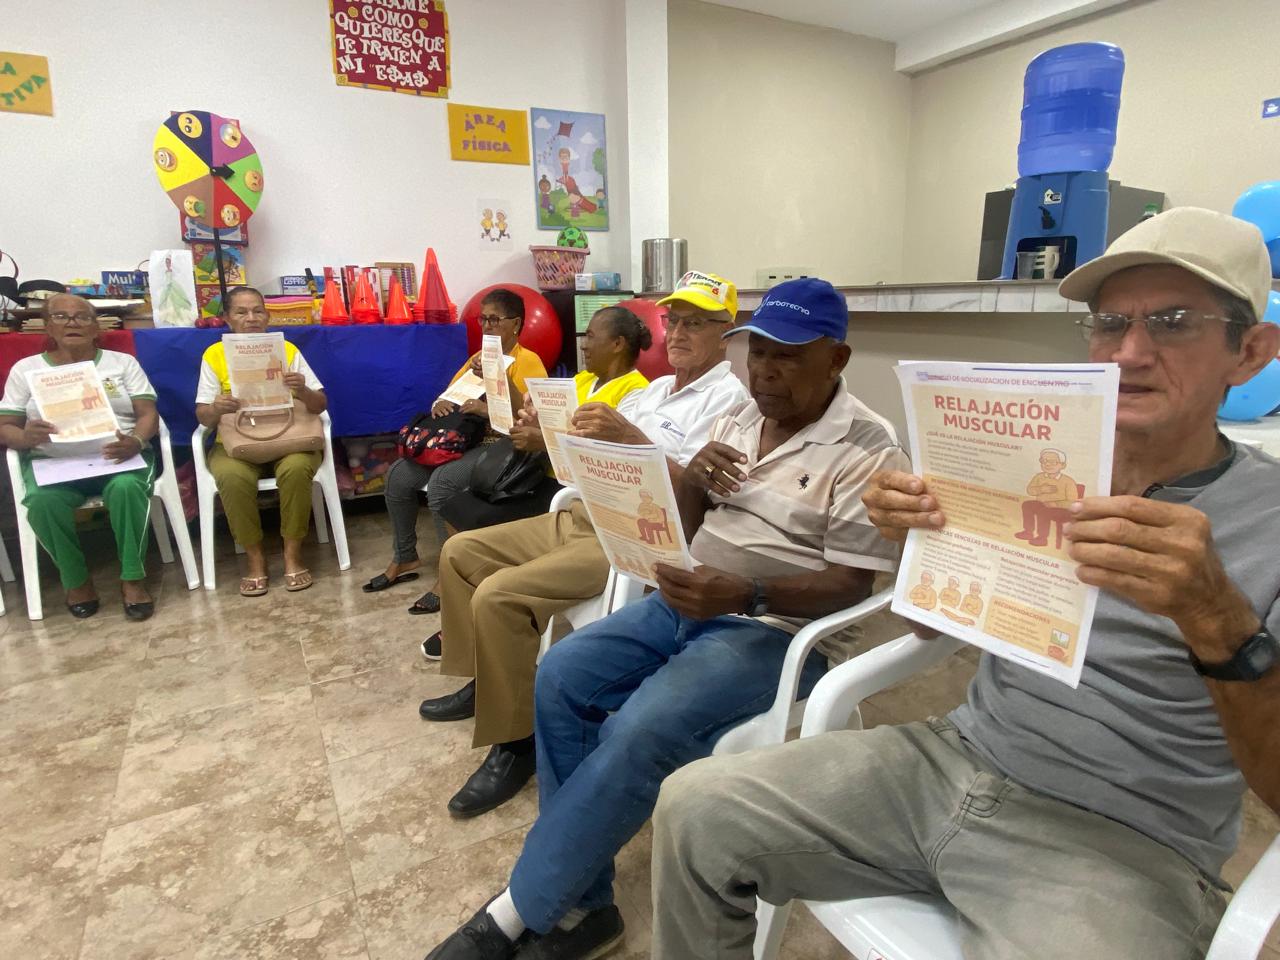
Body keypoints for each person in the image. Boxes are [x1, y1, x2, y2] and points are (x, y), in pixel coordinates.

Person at [648, 208, 1280, 960]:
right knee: (694, 808)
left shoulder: (1268, 519)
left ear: (1250, 352)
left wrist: (1217, 619)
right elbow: (932, 631)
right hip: (957, 756)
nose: (1131, 352)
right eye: (1111, 323)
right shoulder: (1029, 463)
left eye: (1174, 322)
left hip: (1126, 838)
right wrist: (921, 548)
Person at [423, 277, 908, 960]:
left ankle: (516, 911)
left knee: (639, 726)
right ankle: (587, 905)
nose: (765, 372)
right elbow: (685, 529)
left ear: (837, 359)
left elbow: (851, 585)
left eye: (788, 356)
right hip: (686, 599)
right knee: (561, 673)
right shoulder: (740, 418)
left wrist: (747, 595)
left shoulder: (870, 447)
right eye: (758, 353)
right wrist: (691, 481)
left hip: (773, 630)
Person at [419, 271, 747, 820]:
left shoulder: (731, 404)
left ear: (726, 335)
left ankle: (516, 742)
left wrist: (629, 438)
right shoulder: (657, 389)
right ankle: (486, 682)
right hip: (582, 512)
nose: (678, 333)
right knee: (459, 553)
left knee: (499, 595)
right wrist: (548, 432)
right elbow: (585, 459)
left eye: (696, 323)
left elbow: (699, 497)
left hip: (630, 537)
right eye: (674, 321)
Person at [362, 288, 546, 611]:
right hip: (462, 440)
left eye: (494, 320)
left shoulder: (528, 361)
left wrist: (484, 409)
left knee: (442, 483)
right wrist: (441, 404)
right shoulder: (477, 359)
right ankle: (405, 557)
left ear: (516, 324)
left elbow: (530, 419)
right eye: (483, 319)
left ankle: (453, 574)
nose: (486, 327)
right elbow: (450, 395)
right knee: (398, 475)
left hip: (500, 445)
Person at [430, 305, 651, 551]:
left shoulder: (636, 391)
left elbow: (612, 459)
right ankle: (474, 569)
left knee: (475, 522)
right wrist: (509, 388)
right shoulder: (583, 379)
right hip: (537, 471)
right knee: (455, 507)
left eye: (590, 337)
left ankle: (491, 568)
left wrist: (543, 441)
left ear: (617, 344)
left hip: (574, 489)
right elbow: (529, 415)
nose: (583, 346)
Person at [0, 294, 159, 620]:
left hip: (118, 458)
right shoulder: (26, 370)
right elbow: (5, 427)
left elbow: (148, 414)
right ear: (47, 326)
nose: (72, 323)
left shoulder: (122, 363)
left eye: (82, 317)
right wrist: (25, 437)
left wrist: (135, 441)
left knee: (127, 489)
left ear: (95, 327)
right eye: (61, 316)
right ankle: (76, 581)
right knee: (43, 502)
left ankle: (132, 578)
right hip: (53, 463)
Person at [194, 286, 327, 597]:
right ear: (227, 319)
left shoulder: (287, 350)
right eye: (241, 312)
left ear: (267, 317)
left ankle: (293, 554)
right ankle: (255, 559)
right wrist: (217, 408)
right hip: (237, 441)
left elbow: (320, 405)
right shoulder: (214, 355)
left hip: (291, 436)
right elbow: (203, 416)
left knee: (297, 468)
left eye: (257, 311)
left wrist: (302, 389)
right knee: (231, 476)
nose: (251, 318)